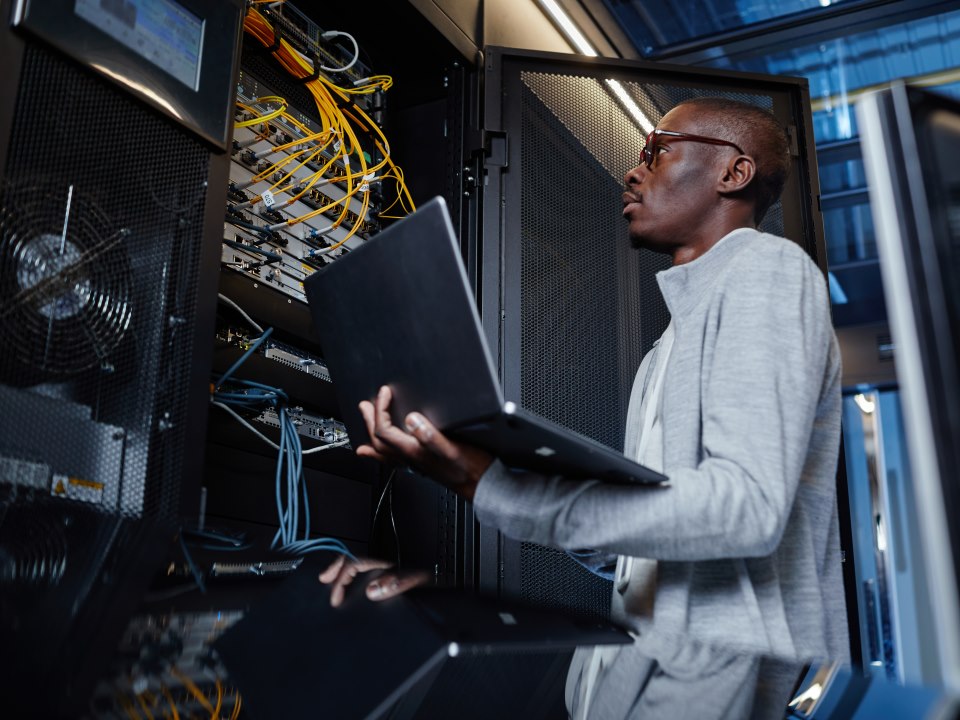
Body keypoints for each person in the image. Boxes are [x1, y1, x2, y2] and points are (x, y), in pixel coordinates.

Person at [320, 97, 849, 719]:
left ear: (733, 173)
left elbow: (746, 508)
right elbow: (639, 559)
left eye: (657, 151)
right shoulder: (665, 349)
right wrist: (478, 484)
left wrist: (497, 490)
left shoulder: (769, 271)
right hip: (625, 683)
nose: (634, 170)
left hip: (705, 694)